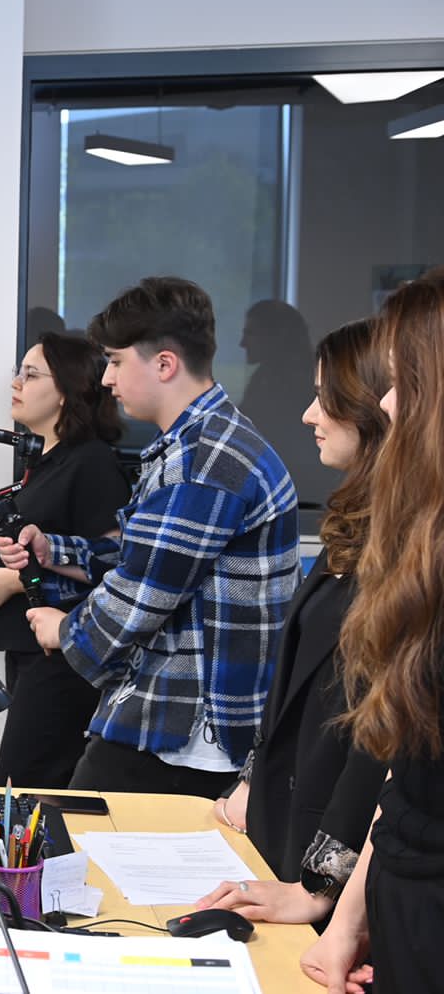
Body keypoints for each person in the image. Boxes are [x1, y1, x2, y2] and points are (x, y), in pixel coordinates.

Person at [0, 276, 299, 797]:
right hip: (165, 706)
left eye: (116, 362)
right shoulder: (193, 443)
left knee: (70, 829)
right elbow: (149, 551)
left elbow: (143, 591)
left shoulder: (205, 461)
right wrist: (56, 551)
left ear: (164, 364)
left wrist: (65, 630)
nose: (107, 378)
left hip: (187, 728)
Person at [194, 318, 388, 928]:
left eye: (326, 398)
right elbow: (297, 680)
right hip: (287, 821)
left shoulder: (406, 546)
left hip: (335, 855)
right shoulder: (355, 520)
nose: (308, 415)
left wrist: (322, 883)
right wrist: (253, 782)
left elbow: (383, 732)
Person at [302, 268, 444, 994]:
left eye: (405, 381)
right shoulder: (425, 545)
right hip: (397, 903)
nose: (388, 402)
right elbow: (403, 764)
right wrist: (347, 914)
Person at [0, 332, 129, 788]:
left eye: (31, 375)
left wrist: (12, 581)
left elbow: (116, 566)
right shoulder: (41, 459)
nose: (16, 383)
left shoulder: (92, 462)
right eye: (19, 372)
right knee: (30, 788)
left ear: (67, 391)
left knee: (18, 788)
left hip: (63, 654)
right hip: (31, 644)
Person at [239, 299, 334, 510]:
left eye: (250, 333)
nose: (242, 343)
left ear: (274, 335)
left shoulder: (297, 381)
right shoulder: (263, 378)